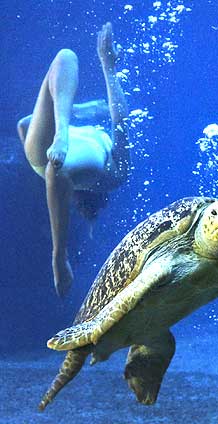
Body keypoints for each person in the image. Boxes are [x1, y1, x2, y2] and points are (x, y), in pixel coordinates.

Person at [16, 22, 130, 298]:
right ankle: (61, 134)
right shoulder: (111, 170)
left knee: (66, 57)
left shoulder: (115, 175)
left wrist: (108, 67)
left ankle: (58, 255)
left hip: (60, 153)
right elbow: (24, 125)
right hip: (54, 154)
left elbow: (120, 120)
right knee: (65, 56)